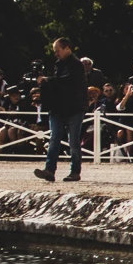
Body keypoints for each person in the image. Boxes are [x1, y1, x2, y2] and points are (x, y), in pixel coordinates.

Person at [33, 37, 88, 181]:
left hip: (74, 108)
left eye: (58, 51)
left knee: (73, 142)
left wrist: (47, 80)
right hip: (58, 108)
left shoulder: (76, 65)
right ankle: (49, 170)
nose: (56, 54)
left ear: (67, 49)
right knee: (54, 138)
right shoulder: (58, 65)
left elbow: (68, 82)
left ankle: (75, 172)